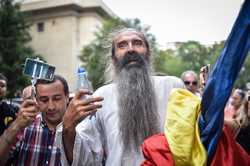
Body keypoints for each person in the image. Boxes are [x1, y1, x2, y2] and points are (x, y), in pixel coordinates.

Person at [56, 28, 184, 165]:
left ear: (148, 53)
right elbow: (86, 158)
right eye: (122, 45)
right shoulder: (101, 97)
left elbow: (187, 141)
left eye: (137, 43)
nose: (130, 49)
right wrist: (68, 127)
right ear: (113, 58)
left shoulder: (172, 87)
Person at [0, 75, 69, 165]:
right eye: (44, 100)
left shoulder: (79, 130)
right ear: (36, 100)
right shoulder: (25, 126)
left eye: (57, 99)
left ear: (67, 97)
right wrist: (15, 126)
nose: (51, 107)